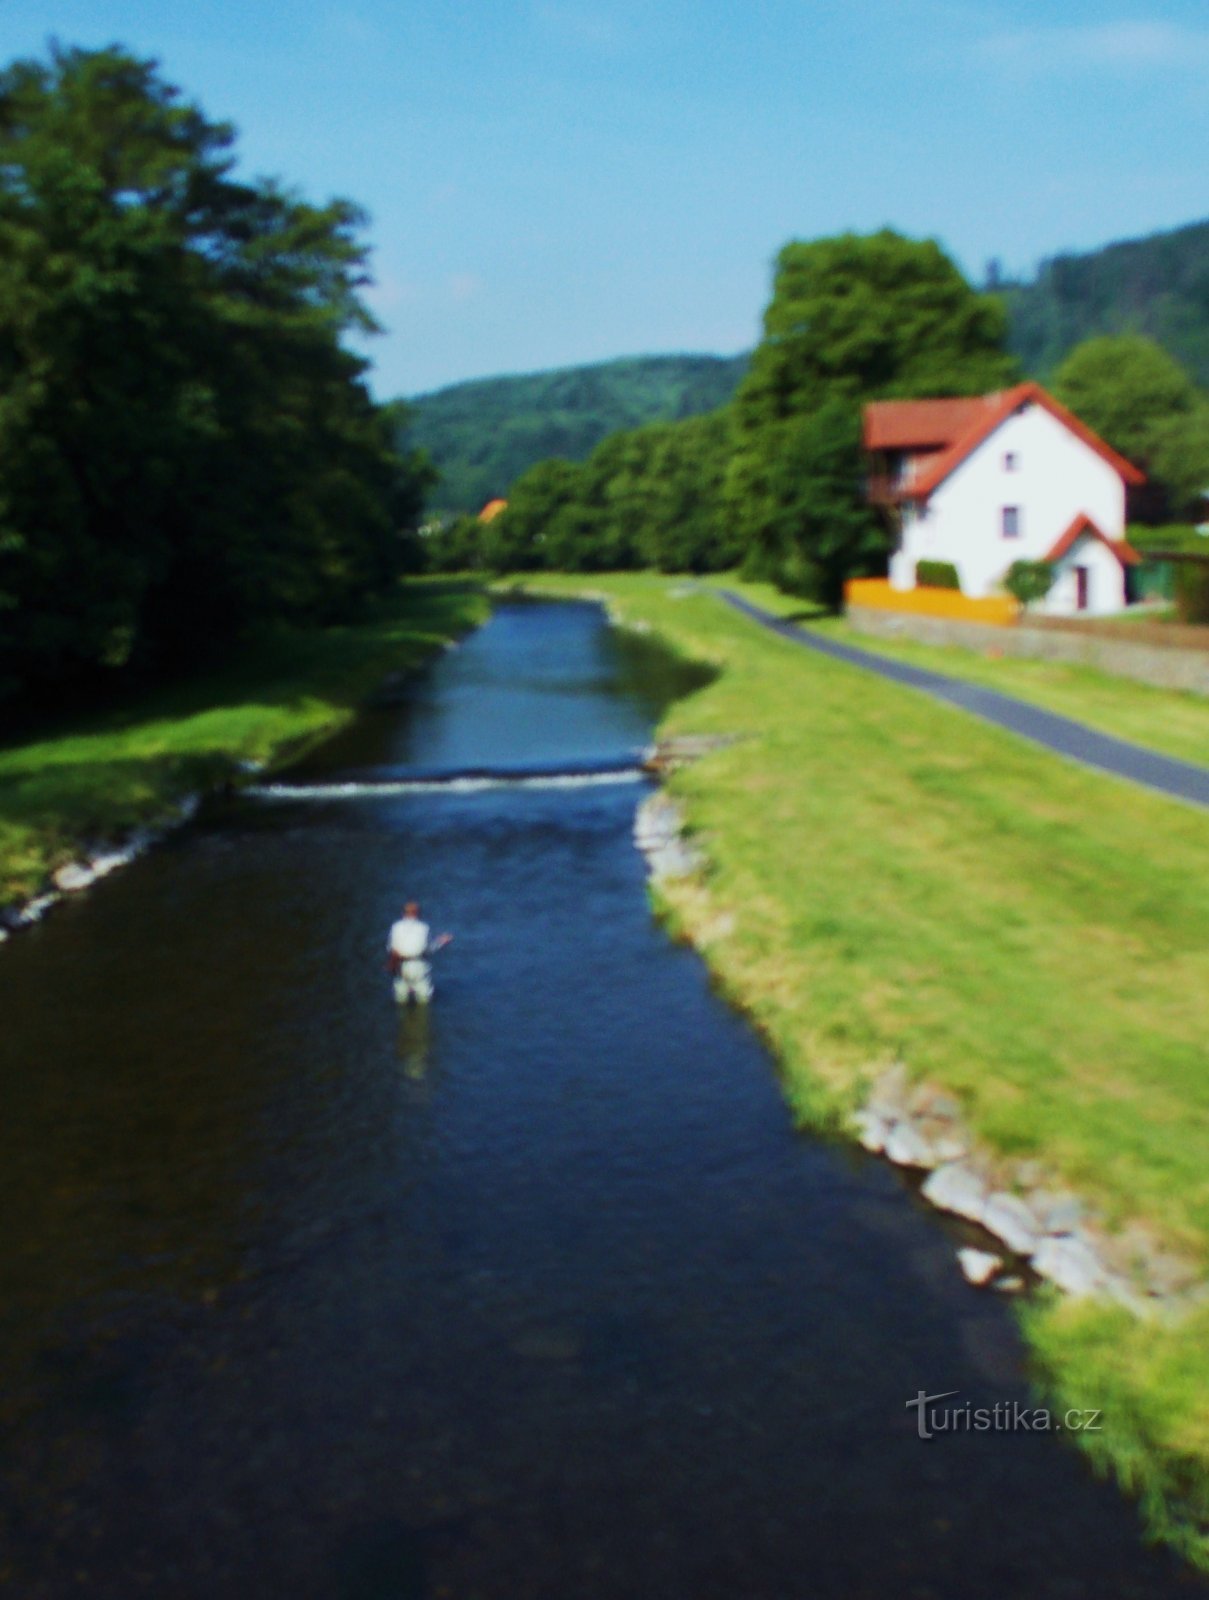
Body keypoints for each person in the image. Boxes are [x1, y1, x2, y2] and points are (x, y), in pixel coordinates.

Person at [387, 901, 451, 1005]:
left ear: (403, 913)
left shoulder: (395, 927)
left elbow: (390, 948)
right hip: (419, 966)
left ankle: (403, 1019)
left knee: (400, 999)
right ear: (417, 913)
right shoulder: (424, 928)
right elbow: (428, 949)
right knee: (423, 1000)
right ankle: (421, 1019)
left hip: (400, 966)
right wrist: (441, 942)